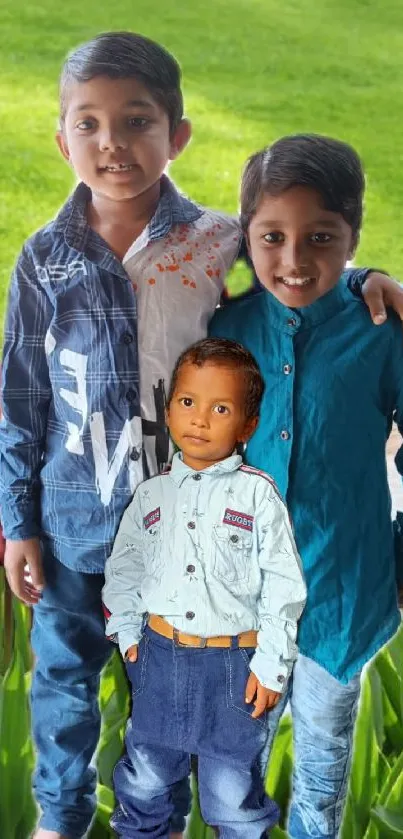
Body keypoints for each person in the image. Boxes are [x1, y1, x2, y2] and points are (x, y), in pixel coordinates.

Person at [0, 30, 401, 839]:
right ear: (62, 137)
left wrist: (371, 280)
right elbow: (20, 397)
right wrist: (19, 520)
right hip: (92, 531)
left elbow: (301, 266)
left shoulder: (216, 241)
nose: (112, 143)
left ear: (177, 136)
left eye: (137, 121)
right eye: (88, 124)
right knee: (77, 693)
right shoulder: (45, 260)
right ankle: (64, 819)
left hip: (242, 563)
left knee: (221, 732)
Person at [209, 133, 403, 839]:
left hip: (338, 602)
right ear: (245, 236)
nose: (293, 260)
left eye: (320, 237)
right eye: (271, 237)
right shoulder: (222, 330)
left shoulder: (382, 330)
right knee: (233, 781)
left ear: (352, 234)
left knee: (317, 793)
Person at [102, 337, 307, 838]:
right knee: (146, 781)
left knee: (232, 795)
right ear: (168, 410)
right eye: (188, 403)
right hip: (159, 656)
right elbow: (124, 569)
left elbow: (283, 586)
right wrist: (129, 637)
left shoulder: (258, 497)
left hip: (235, 669)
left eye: (220, 408)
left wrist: (272, 662)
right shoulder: (149, 497)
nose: (199, 420)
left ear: (247, 426)